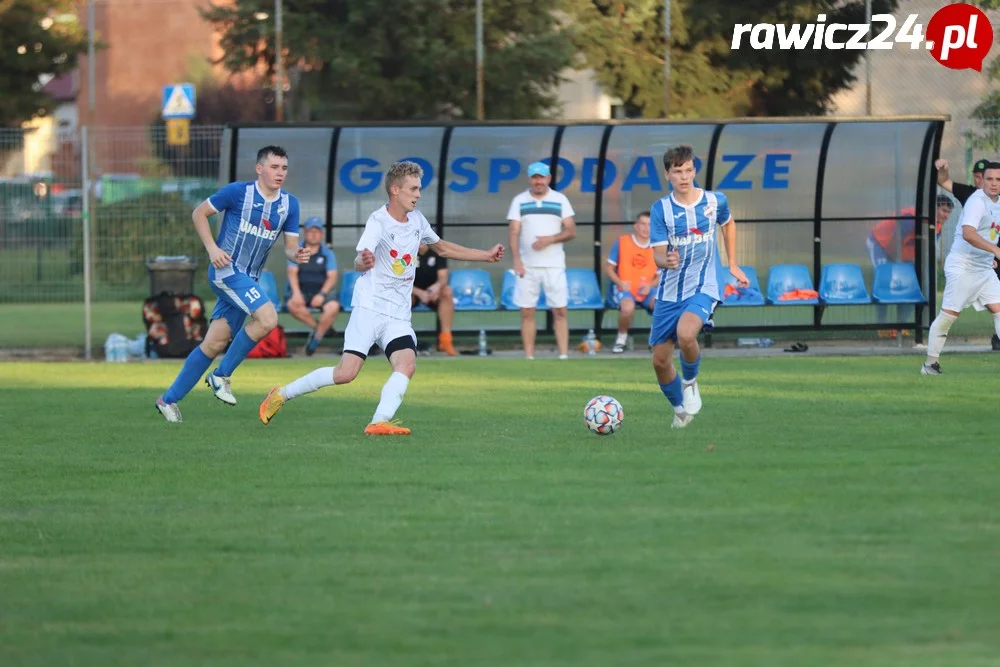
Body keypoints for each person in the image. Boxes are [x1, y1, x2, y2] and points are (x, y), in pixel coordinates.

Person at [258, 161, 504, 435]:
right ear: (395, 190)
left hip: (398, 314)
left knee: (406, 364)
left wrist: (485, 255)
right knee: (345, 374)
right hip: (370, 307)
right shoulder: (378, 221)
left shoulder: (418, 220)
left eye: (419, 189)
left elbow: (442, 248)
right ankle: (281, 393)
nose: (418, 195)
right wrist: (364, 261)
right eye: (414, 189)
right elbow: (358, 260)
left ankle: (378, 421)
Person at [155, 145, 308, 422]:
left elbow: (289, 248)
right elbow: (198, 213)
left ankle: (168, 400)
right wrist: (212, 249)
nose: (280, 173)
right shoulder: (238, 192)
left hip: (247, 280)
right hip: (226, 272)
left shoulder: (290, 205)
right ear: (259, 168)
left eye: (284, 168)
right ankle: (221, 375)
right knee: (267, 318)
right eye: (274, 167)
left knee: (214, 343)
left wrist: (297, 255)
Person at [648, 145, 748, 429]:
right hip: (669, 293)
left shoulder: (715, 201)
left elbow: (728, 224)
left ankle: (690, 381)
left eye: (688, 170)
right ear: (667, 174)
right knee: (660, 361)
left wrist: (732, 263)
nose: (684, 177)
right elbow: (656, 253)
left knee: (687, 334)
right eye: (677, 171)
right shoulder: (661, 210)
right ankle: (680, 410)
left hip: (704, 286)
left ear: (695, 170)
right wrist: (664, 260)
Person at [921, 160, 1000, 375]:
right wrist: (995, 250)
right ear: (981, 180)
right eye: (989, 179)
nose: (994, 183)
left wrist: (990, 255)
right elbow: (968, 233)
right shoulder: (977, 201)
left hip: (984, 268)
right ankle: (930, 364)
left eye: (998, 179)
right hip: (963, 266)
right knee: (948, 316)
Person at [507, 161, 576, 359]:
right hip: (527, 266)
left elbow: (571, 231)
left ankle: (563, 356)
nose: (538, 181)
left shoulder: (560, 199)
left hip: (554, 265)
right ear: (530, 179)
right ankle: (529, 356)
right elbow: (513, 232)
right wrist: (517, 261)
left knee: (560, 310)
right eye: (535, 177)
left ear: (549, 178)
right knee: (527, 312)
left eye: (542, 177)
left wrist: (550, 239)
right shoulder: (519, 200)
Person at [285, 216, 341, 356]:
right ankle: (323, 329)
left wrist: (322, 294)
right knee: (292, 305)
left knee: (333, 307)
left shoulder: (328, 253)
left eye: (317, 231)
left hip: (322, 292)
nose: (314, 234)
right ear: (305, 233)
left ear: (321, 234)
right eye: (311, 231)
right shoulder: (297, 250)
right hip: (302, 291)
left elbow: (332, 277)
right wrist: (296, 294)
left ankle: (315, 339)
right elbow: (292, 273)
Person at [605, 210, 659, 354]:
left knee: (662, 305)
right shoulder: (623, 242)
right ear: (636, 225)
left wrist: (650, 286)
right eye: (643, 224)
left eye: (649, 224)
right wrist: (620, 282)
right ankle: (621, 340)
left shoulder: (657, 246)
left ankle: (655, 340)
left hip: (647, 290)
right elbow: (609, 268)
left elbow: (662, 274)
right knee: (628, 307)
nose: (646, 228)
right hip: (625, 288)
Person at [412, 243, 457, 356]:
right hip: (412, 292)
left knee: (447, 292)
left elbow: (443, 278)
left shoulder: (438, 252)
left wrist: (436, 288)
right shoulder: (406, 251)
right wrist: (419, 292)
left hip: (433, 294)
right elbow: (400, 279)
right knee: (401, 296)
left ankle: (445, 340)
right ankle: (402, 340)